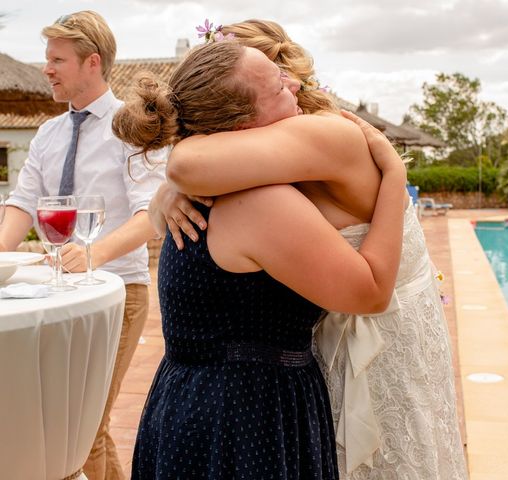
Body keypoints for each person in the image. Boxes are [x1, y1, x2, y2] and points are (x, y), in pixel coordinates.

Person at [157, 19, 468, 480]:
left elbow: (187, 161)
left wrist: (174, 176)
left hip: (382, 331)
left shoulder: (324, 134)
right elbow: (190, 168)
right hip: (326, 324)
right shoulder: (270, 156)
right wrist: (164, 192)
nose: (295, 84)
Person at [112, 38, 408, 479]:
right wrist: (395, 177)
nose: (294, 82)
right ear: (246, 124)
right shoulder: (260, 202)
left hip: (185, 400)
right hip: (249, 418)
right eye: (276, 86)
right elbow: (371, 291)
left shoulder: (207, 189)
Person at [0, 11, 165, 480]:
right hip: (57, 294)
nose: (46, 69)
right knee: (65, 427)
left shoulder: (132, 126)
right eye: (46, 58)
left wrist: (94, 254)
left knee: (85, 429)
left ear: (92, 62)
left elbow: (152, 213)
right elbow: (22, 202)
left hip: (119, 291)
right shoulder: (49, 133)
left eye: (57, 59)